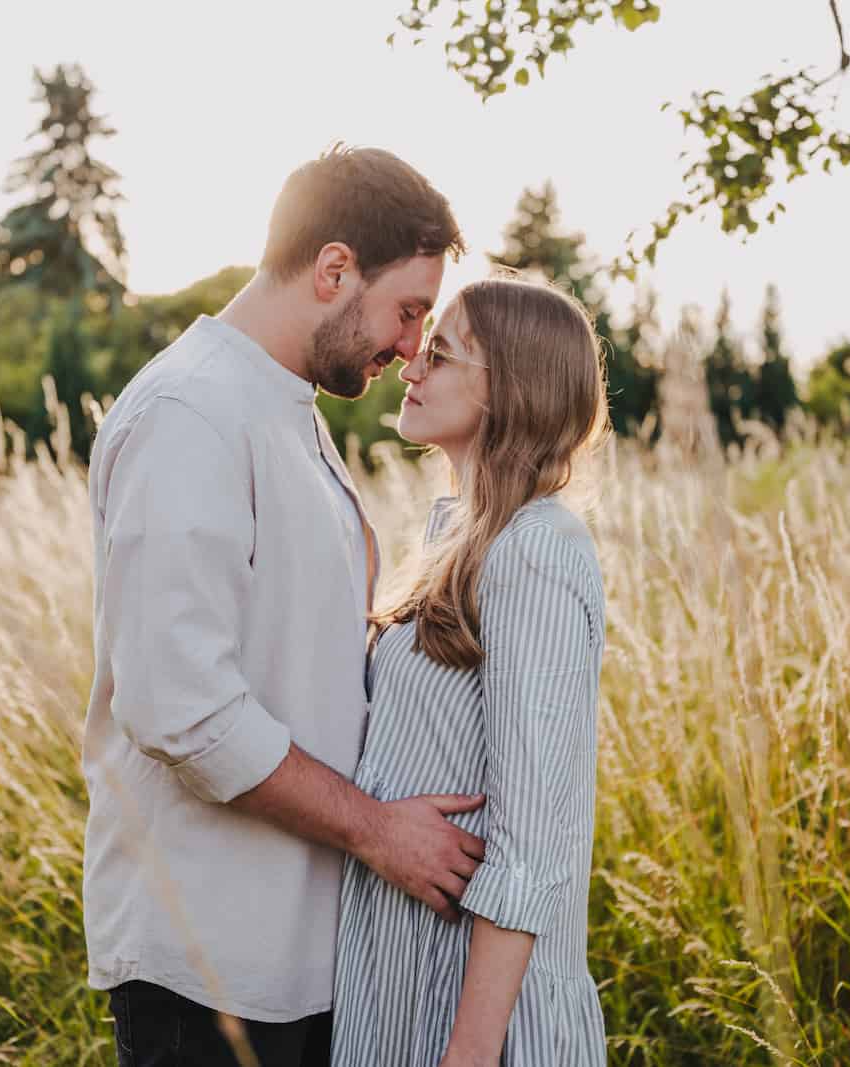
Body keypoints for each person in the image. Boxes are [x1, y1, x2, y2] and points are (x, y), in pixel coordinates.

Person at [81, 145, 479, 1067]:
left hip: (294, 955)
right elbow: (177, 706)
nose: (414, 345)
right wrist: (381, 831)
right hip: (208, 968)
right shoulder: (192, 412)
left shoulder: (282, 409)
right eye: (409, 309)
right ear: (334, 269)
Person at [331, 276, 611, 1067]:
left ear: (511, 391)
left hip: (479, 1016)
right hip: (402, 985)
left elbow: (530, 843)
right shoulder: (455, 538)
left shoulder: (539, 548)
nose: (412, 363)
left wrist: (472, 1048)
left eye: (443, 353)